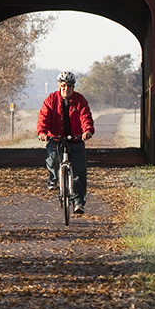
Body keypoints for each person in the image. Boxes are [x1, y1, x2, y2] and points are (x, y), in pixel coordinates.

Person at [36, 70, 95, 214]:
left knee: (79, 172)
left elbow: (85, 117)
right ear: (58, 86)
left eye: (69, 86)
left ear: (73, 87)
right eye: (63, 86)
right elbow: (44, 117)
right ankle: (54, 179)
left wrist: (87, 131)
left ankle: (78, 202)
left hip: (75, 139)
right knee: (52, 158)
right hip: (56, 138)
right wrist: (42, 132)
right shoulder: (51, 100)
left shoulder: (80, 100)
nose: (66, 89)